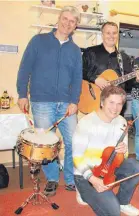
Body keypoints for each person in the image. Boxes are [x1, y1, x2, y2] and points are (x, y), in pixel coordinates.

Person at [16, 6, 82, 196]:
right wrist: (22, 94)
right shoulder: (38, 41)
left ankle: (70, 179)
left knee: (73, 143)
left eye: (72, 21)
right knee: (47, 145)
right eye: (65, 18)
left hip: (67, 105)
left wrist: (74, 101)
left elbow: (77, 78)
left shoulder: (75, 50)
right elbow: (24, 69)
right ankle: (53, 179)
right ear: (58, 19)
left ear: (75, 26)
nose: (67, 23)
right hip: (41, 103)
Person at [72, 85, 139, 216]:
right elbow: (77, 157)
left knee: (136, 167)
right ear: (102, 102)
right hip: (86, 175)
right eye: (111, 102)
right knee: (112, 212)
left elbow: (123, 157)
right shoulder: (86, 123)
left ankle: (123, 201)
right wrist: (93, 179)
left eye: (119, 104)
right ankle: (82, 191)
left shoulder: (122, 121)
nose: (115, 108)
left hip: (109, 168)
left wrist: (124, 151)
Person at [82, 21, 139, 94]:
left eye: (114, 33)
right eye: (108, 33)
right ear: (102, 35)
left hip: (116, 102)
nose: (111, 36)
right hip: (92, 101)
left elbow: (128, 86)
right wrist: (95, 79)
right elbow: (80, 72)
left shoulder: (124, 57)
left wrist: (137, 80)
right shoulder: (90, 52)